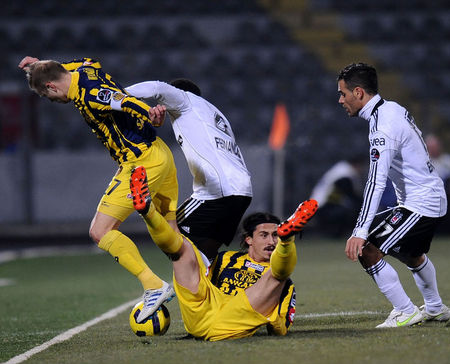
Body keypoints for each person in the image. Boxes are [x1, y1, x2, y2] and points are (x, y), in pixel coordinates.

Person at [18, 56, 177, 322]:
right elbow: (88, 60)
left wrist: (149, 113)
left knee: (100, 231)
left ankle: (153, 285)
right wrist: (39, 65)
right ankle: (197, 294)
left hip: (141, 164)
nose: (51, 100)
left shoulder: (89, 94)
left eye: (47, 95)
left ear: (51, 87)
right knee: (171, 235)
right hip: (160, 153)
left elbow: (121, 100)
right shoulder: (85, 70)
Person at [130, 165, 318, 340]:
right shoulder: (225, 259)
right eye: (264, 235)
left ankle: (288, 239)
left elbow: (279, 327)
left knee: (277, 276)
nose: (271, 241)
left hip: (236, 314)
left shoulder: (280, 281)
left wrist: (269, 306)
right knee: (182, 250)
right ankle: (147, 210)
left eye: (276, 236)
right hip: (204, 308)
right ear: (248, 239)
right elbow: (199, 278)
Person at [337, 62, 450, 328]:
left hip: (422, 203)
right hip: (424, 197)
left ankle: (406, 311)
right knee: (411, 254)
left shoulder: (382, 128)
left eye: (343, 93)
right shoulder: (392, 107)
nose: (340, 100)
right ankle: (435, 308)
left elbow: (375, 182)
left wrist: (360, 230)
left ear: (358, 92)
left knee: (367, 250)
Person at [125, 79, 252, 261]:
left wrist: (117, 95)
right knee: (205, 251)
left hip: (218, 190)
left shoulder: (185, 99)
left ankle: (194, 284)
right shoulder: (214, 113)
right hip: (242, 190)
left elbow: (157, 87)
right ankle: (213, 284)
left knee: (169, 232)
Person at [310, 157, 363, 237]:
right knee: (350, 212)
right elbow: (351, 195)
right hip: (322, 208)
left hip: (321, 206)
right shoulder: (345, 174)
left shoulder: (340, 170)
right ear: (357, 165)